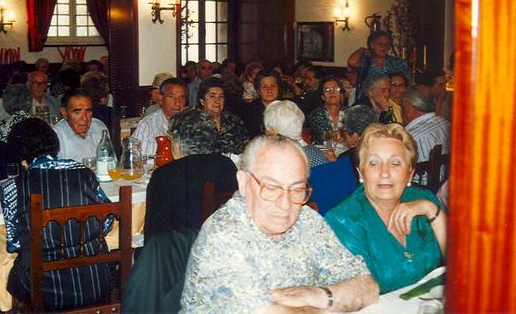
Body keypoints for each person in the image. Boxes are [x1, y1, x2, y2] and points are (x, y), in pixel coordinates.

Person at [181, 135, 379, 312]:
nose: (285, 204)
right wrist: (332, 304)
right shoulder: (223, 235)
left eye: (296, 188)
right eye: (271, 187)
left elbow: (368, 288)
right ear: (243, 183)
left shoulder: (307, 219)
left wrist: (314, 295)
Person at [0, 118, 111, 311]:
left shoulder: (12, 187)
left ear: (20, 154)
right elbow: (107, 220)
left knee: (7, 272)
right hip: (95, 282)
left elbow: (14, 243)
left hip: (42, 288)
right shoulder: (85, 173)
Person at [325, 123, 446, 294]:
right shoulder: (342, 221)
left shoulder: (425, 199)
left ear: (410, 174)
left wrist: (433, 211)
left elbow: (460, 267)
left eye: (395, 163)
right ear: (361, 173)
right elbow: (357, 296)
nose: (384, 173)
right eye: (374, 163)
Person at [144, 108, 238, 241]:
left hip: (178, 256)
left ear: (177, 142)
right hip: (219, 246)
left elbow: (153, 234)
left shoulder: (164, 175)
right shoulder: (226, 165)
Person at [400, 86, 451, 186]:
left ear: (408, 107)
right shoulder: (448, 126)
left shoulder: (409, 139)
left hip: (417, 193)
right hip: (446, 189)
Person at [347, 30, 411, 101]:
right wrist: (362, 49)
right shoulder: (366, 61)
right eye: (380, 44)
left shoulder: (398, 63)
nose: (384, 47)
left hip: (390, 102)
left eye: (387, 44)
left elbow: (409, 85)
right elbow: (351, 61)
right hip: (367, 101)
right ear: (372, 45)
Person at [263, 100, 328, 168]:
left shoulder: (278, 160)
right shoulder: (316, 152)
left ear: (273, 132)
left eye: (267, 129)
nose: (265, 132)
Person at [132, 77, 187, 157]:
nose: (177, 103)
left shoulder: (191, 125)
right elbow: (134, 158)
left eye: (182, 98)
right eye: (171, 97)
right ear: (161, 99)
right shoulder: (147, 125)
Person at [52, 88, 109, 163]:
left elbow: (110, 161)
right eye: (77, 112)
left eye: (88, 111)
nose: (85, 118)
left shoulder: (99, 127)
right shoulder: (56, 136)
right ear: (64, 113)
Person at [197, 77, 249, 155]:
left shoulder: (233, 120)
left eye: (221, 96)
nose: (217, 100)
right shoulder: (195, 123)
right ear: (202, 101)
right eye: (212, 96)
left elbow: (247, 146)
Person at [338, 105, 380, 175]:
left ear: (355, 136)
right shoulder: (383, 149)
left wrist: (335, 165)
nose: (344, 138)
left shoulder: (347, 158)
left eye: (344, 133)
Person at [306, 76, 346, 145]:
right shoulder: (315, 114)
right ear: (322, 97)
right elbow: (324, 135)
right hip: (323, 153)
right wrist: (344, 134)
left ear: (341, 94)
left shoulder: (350, 112)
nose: (332, 92)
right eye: (327, 90)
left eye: (335, 89)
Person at [242, 69, 281, 138]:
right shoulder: (249, 110)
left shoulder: (287, 107)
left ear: (279, 88)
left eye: (273, 86)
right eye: (264, 87)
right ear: (258, 91)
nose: (269, 90)